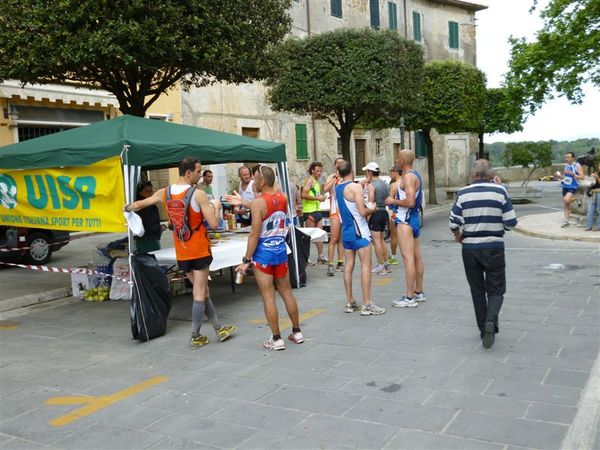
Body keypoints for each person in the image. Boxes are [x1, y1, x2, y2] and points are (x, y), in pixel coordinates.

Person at [124, 157, 236, 349]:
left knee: (203, 290)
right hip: (199, 249)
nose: (200, 175)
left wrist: (128, 208)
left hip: (182, 251)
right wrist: (216, 207)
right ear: (188, 173)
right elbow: (215, 224)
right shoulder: (198, 194)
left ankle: (219, 327)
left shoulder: (164, 192)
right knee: (200, 292)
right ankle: (195, 335)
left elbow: (141, 204)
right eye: (199, 171)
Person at [449, 159, 518, 349]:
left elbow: (454, 221)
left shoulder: (462, 193)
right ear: (491, 175)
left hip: (470, 248)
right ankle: (491, 320)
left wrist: (457, 235)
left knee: (477, 290)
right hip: (494, 247)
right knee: (496, 289)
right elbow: (511, 222)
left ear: (473, 175)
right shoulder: (500, 191)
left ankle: (483, 329)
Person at [235, 165, 304, 351]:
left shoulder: (259, 202)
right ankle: (297, 332)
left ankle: (276, 338)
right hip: (281, 251)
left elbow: (255, 233)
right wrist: (243, 200)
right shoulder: (283, 197)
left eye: (255, 179)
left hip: (263, 254)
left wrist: (246, 260)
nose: (253, 182)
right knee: (287, 292)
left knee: (268, 296)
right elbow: (269, 210)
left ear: (262, 181)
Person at [335, 160, 385, 316]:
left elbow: (349, 202)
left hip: (347, 231)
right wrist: (373, 209)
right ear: (352, 171)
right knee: (366, 266)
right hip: (360, 231)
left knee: (349, 265)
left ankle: (350, 301)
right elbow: (362, 212)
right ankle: (367, 303)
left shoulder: (338, 187)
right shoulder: (355, 187)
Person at [385, 150, 425, 308]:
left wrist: (391, 200)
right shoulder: (416, 175)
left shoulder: (407, 177)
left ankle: (409, 297)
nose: (396, 159)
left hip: (405, 220)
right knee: (416, 257)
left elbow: (410, 201)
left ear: (403, 161)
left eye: (398, 157)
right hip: (413, 219)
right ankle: (418, 292)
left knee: (408, 259)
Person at [363, 162, 391, 276]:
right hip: (384, 212)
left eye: (367, 171)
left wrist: (367, 216)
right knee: (382, 239)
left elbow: (371, 203)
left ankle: (380, 265)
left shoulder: (371, 185)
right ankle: (386, 264)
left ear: (370, 172)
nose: (366, 173)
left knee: (376, 241)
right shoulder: (384, 184)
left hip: (376, 213)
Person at [323, 157, 345, 276]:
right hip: (334, 211)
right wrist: (335, 178)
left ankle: (340, 263)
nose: (341, 165)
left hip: (344, 211)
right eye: (339, 163)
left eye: (343, 163)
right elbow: (325, 189)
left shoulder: (347, 176)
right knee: (334, 238)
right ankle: (330, 265)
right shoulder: (332, 177)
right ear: (335, 165)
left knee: (342, 239)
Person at [302, 161, 327, 264]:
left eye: (321, 171)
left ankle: (320, 256)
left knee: (319, 234)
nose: (319, 173)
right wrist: (317, 198)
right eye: (317, 171)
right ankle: (305, 257)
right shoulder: (309, 181)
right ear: (312, 170)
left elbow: (315, 196)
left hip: (317, 210)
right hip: (309, 212)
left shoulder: (316, 182)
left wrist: (321, 198)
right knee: (309, 237)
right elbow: (303, 195)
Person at [134, 181, 164, 253]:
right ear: (140, 192)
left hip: (150, 238)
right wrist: (159, 229)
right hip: (146, 240)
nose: (150, 193)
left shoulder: (151, 205)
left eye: (151, 190)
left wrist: (160, 228)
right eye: (147, 191)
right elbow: (149, 224)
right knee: (152, 259)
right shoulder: (143, 206)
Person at [558, 151, 584, 227]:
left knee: (567, 200)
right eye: (565, 157)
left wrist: (574, 174)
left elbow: (582, 177)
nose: (566, 159)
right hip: (565, 186)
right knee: (566, 204)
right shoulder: (566, 166)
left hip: (573, 186)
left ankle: (577, 198)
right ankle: (566, 220)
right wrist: (561, 176)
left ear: (573, 158)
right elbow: (566, 176)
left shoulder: (577, 165)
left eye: (568, 157)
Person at [386, 165, 401, 266]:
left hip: (395, 212)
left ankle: (393, 256)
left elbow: (390, 201)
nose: (390, 175)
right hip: (407, 212)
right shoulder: (407, 183)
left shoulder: (394, 185)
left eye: (391, 173)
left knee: (394, 235)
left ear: (395, 172)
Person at [585, 162, 600, 231]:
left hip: (599, 193)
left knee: (599, 210)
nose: (599, 167)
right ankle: (589, 225)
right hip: (594, 193)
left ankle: (598, 226)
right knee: (590, 210)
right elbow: (595, 183)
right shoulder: (598, 173)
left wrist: (597, 177)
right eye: (599, 165)